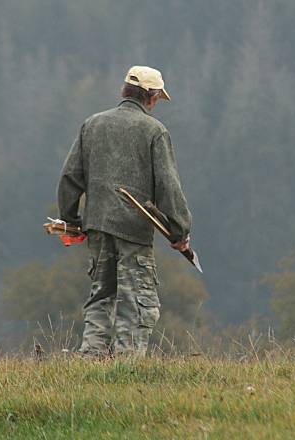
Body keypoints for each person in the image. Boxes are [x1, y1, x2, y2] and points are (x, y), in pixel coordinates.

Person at [57, 66, 192, 357]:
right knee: (137, 300)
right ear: (151, 96)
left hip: (97, 227)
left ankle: (91, 359)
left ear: (125, 92)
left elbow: (70, 177)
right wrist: (180, 230)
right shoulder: (154, 131)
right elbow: (168, 185)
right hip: (133, 230)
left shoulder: (92, 124)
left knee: (101, 295)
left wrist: (71, 220)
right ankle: (126, 364)